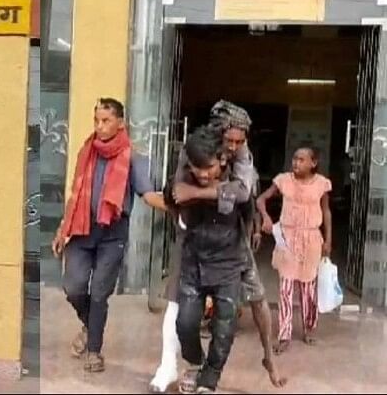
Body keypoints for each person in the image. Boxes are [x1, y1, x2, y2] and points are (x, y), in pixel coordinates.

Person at [149, 101, 286, 392]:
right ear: (217, 134)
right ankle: (177, 365)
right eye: (230, 141)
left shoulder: (240, 153)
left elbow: (243, 194)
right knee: (181, 310)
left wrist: (198, 193)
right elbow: (175, 193)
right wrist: (183, 213)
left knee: (256, 299)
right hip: (193, 238)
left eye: (240, 141)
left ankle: (268, 358)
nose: (235, 146)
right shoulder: (194, 150)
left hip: (232, 241)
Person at [51, 97, 166, 373]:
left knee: (99, 294)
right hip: (81, 230)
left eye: (106, 121)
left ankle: (94, 351)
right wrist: (62, 229)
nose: (100, 126)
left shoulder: (133, 157)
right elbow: (75, 194)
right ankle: (90, 326)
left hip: (112, 236)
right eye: (96, 120)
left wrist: (178, 206)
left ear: (120, 123)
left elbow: (148, 195)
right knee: (73, 287)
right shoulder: (87, 151)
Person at [166, 125, 249, 394]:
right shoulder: (183, 179)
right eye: (197, 168)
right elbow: (171, 198)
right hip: (193, 261)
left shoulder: (237, 181)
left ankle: (210, 378)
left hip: (228, 263)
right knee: (185, 323)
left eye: (209, 167)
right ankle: (195, 363)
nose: (202, 174)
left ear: (222, 160)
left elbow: (246, 206)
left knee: (224, 328)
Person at [256, 146, 333, 354]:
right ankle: (284, 334)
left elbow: (326, 211)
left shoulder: (322, 184)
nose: (296, 163)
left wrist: (328, 240)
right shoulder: (283, 180)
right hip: (287, 239)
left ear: (313, 163)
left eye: (301, 159)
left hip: (312, 239)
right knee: (286, 288)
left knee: (308, 289)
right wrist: (266, 217)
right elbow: (261, 199)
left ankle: (309, 328)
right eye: (294, 159)